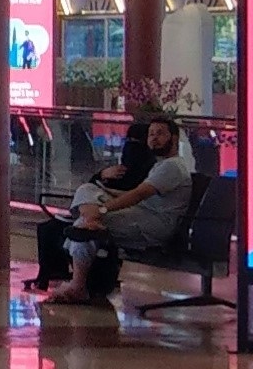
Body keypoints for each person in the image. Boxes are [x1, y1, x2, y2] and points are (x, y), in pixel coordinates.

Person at [32, 109, 194, 303]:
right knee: (87, 189)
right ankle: (90, 220)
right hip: (140, 214)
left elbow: (138, 195)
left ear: (174, 138)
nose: (154, 138)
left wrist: (103, 208)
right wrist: (102, 191)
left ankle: (78, 285)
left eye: (160, 134)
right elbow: (136, 195)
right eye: (151, 134)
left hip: (153, 223)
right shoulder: (161, 165)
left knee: (83, 225)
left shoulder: (172, 167)